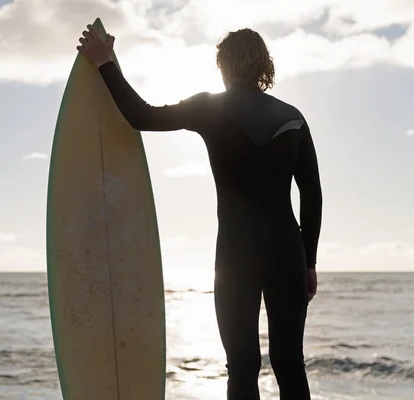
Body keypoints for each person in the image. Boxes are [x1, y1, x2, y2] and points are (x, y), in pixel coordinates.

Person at [76, 24, 323, 400]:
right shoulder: (293, 118)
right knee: (289, 362)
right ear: (262, 65)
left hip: (235, 254)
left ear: (223, 66)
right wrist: (309, 261)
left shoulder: (210, 108)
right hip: (287, 251)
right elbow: (313, 195)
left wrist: (105, 63)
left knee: (241, 365)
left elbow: (141, 116)